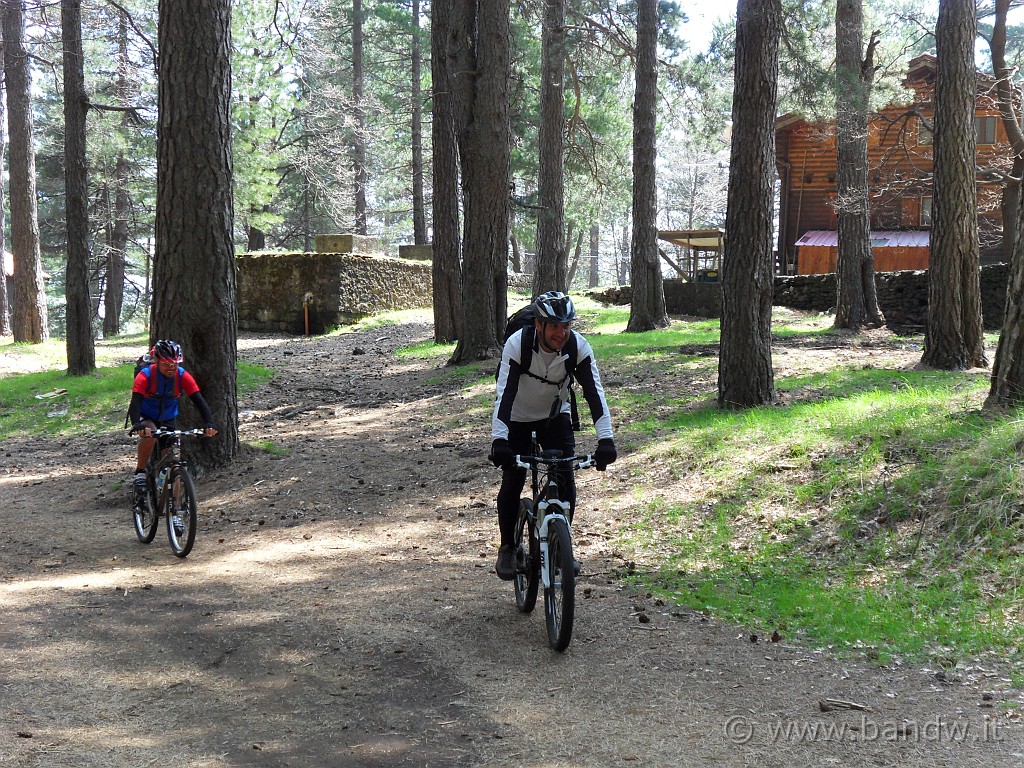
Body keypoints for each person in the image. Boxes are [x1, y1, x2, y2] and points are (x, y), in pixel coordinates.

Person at [489, 291, 616, 580]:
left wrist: (605, 440)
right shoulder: (517, 344)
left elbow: (595, 394)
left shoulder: (578, 347)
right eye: (555, 326)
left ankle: (560, 544)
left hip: (554, 416)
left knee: (565, 479)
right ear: (539, 325)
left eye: (567, 325)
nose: (562, 332)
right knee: (513, 479)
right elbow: (504, 395)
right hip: (517, 418)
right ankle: (508, 546)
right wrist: (500, 440)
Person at [127, 339, 218, 495]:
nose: (171, 368)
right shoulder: (144, 376)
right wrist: (137, 424)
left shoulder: (182, 375)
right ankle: (140, 472)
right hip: (146, 415)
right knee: (151, 434)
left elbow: (199, 400)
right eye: (167, 364)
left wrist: (209, 423)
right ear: (157, 361)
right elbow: (135, 403)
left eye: (175, 365)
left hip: (168, 417)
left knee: (174, 463)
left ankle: (175, 514)